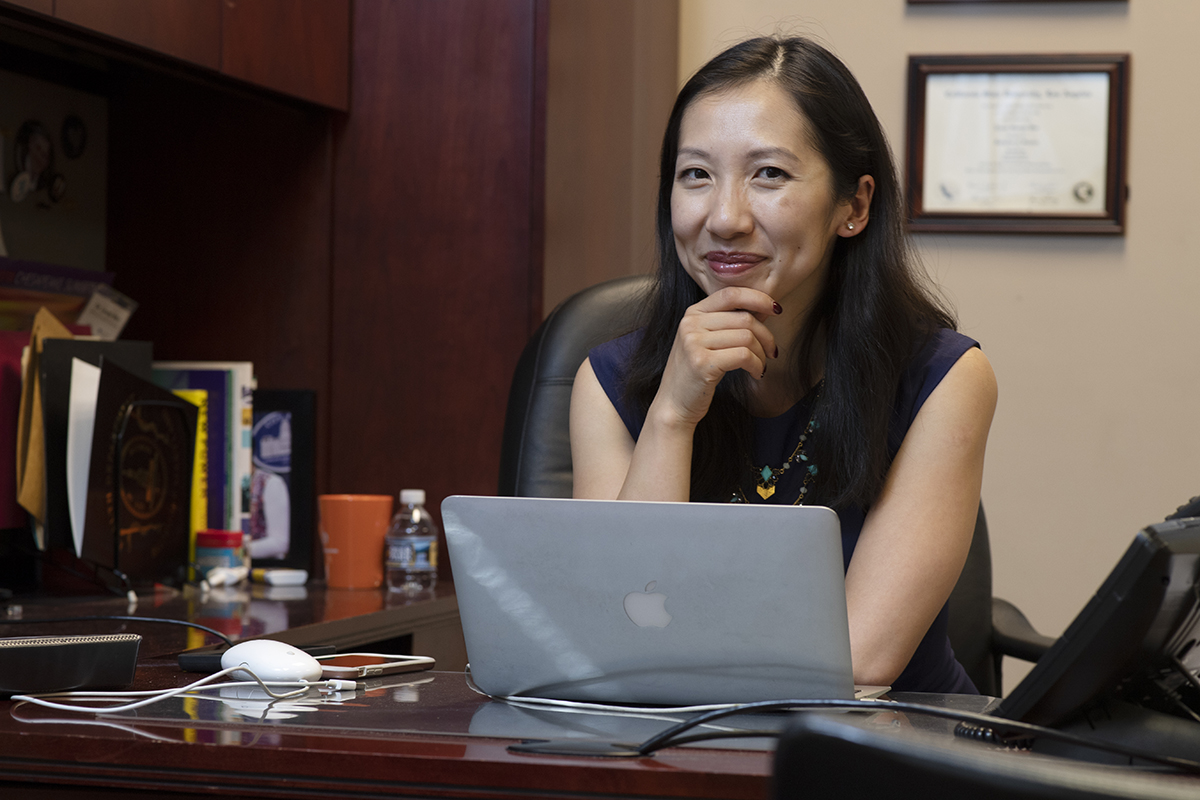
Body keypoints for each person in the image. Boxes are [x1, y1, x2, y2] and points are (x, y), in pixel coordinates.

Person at [569, 36, 997, 694]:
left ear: (853, 206)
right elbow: (616, 637)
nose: (724, 217)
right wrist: (673, 416)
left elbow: (861, 660)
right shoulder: (608, 380)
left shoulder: (944, 378)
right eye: (695, 175)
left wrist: (678, 661)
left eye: (768, 174)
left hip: (888, 752)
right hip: (677, 749)